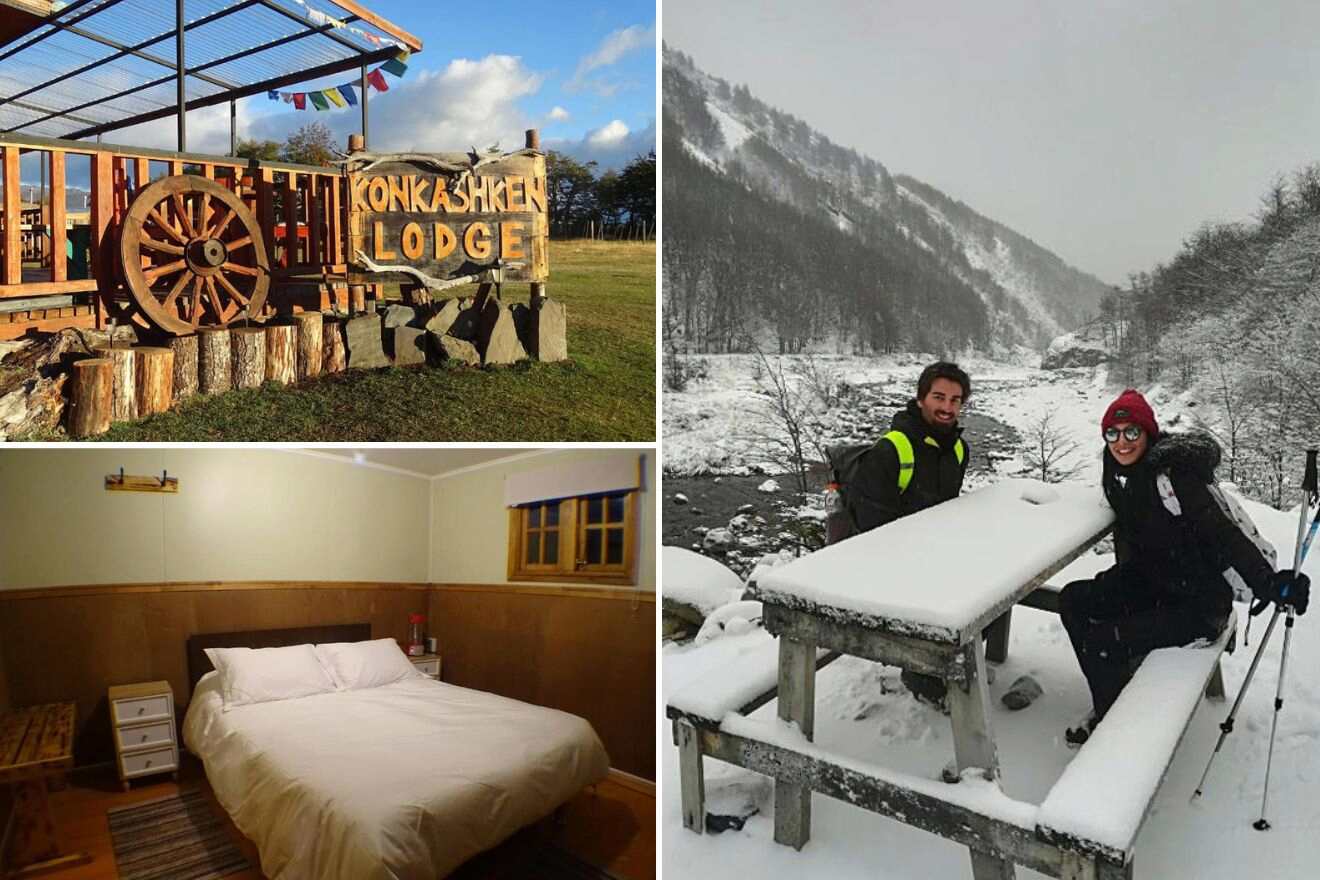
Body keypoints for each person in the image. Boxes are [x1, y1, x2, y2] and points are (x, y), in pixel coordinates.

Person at [1059, 389, 1311, 746]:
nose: (1121, 442)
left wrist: (1269, 583)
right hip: (1156, 582)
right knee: (1072, 600)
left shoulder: (1175, 477)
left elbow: (1224, 533)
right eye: (1112, 433)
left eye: (1132, 432)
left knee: (1103, 640)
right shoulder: (1117, 474)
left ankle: (1113, 729)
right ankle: (1113, 701)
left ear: (1149, 433)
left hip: (1199, 605)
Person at [847, 361, 971, 706]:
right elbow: (870, 528)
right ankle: (925, 679)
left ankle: (952, 663)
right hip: (891, 563)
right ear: (920, 399)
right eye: (939, 397)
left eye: (956, 400)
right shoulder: (893, 450)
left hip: (933, 554)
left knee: (987, 587)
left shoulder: (959, 450)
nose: (947, 407)